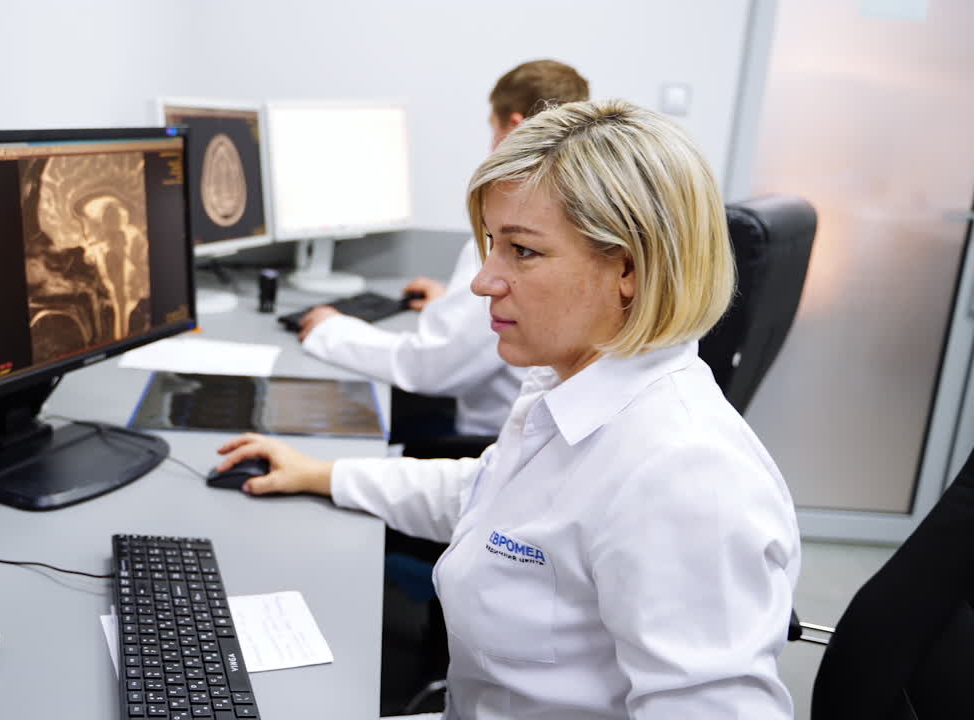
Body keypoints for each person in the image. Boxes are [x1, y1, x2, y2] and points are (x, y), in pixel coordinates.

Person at [215, 99, 801, 718]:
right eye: (492, 245)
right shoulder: (572, 383)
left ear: (629, 268)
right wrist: (322, 474)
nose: (482, 281)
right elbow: (489, 497)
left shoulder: (686, 476)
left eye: (522, 251)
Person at [297, 59, 590, 437]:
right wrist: (449, 305)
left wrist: (330, 332)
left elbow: (430, 368)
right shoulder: (571, 220)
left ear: (514, 128)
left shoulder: (510, 232)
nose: (485, 283)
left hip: (488, 440)